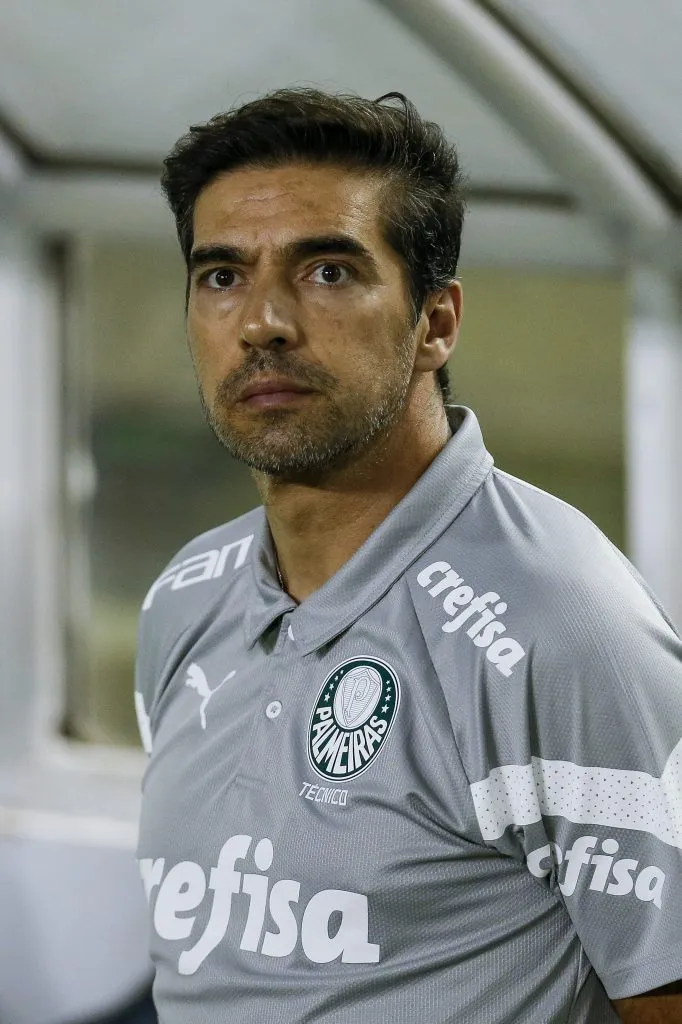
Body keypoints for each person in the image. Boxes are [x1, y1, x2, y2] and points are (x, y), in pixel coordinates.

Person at [133, 88, 682, 1023]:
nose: (263, 320)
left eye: (329, 272)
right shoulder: (185, 599)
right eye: (221, 275)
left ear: (436, 322)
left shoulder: (557, 626)